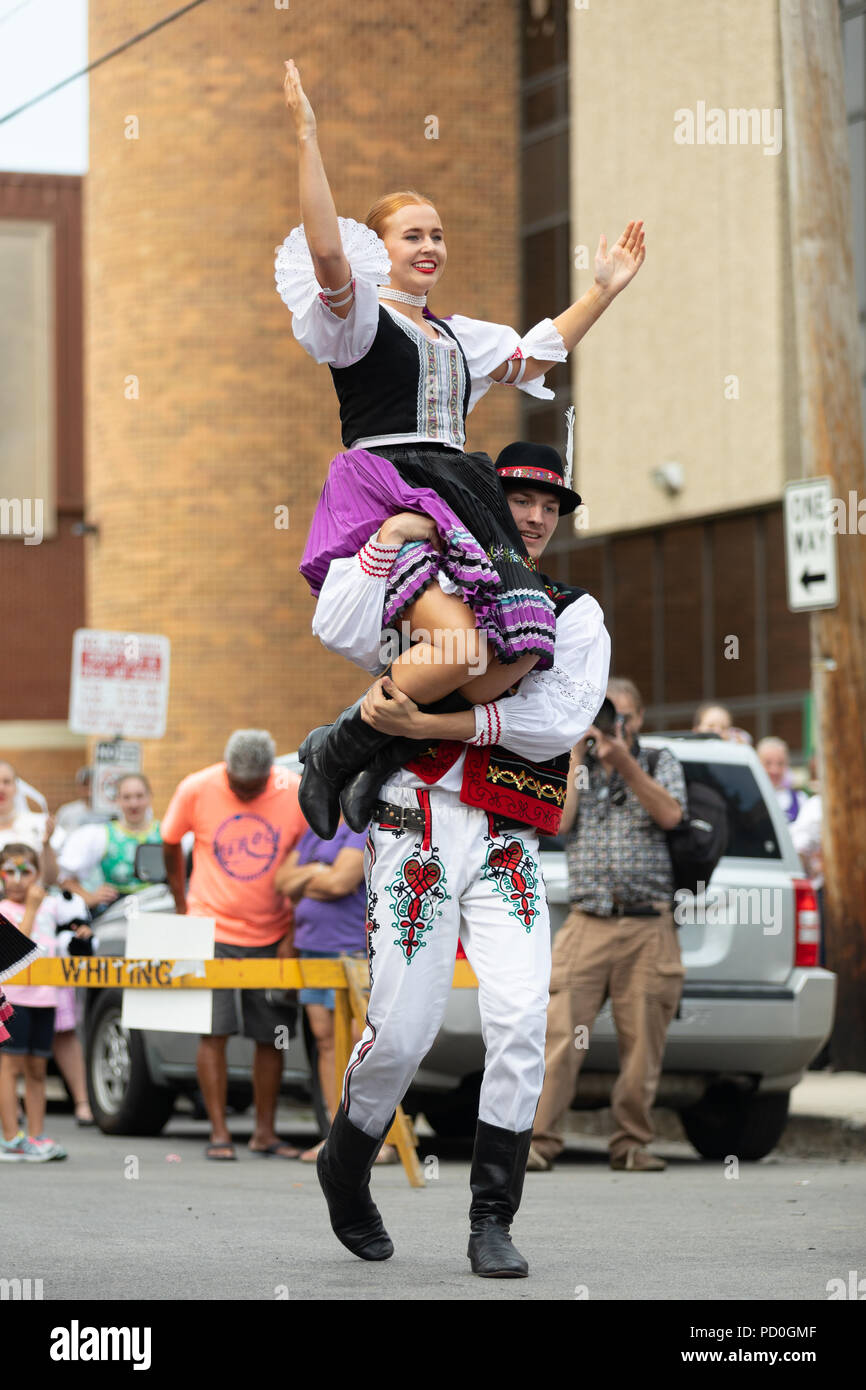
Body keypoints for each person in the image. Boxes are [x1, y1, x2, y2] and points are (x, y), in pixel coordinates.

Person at [277, 59, 644, 838]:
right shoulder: (360, 321)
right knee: (460, 642)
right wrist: (308, 141)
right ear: (379, 249)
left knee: (513, 658)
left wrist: (603, 290)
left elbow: (537, 356)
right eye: (413, 234)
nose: (430, 245)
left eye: (438, 234)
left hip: (459, 492)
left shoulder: (456, 336)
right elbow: (326, 252)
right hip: (393, 489)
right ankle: (338, 748)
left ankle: (374, 749)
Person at [309, 441, 610, 1274]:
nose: (537, 517)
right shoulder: (429, 585)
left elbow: (557, 722)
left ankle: (492, 1218)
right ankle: (347, 1155)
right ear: (482, 499)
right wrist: (393, 531)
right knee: (403, 1034)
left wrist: (431, 727)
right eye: (520, 498)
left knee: (521, 1019)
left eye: (553, 507)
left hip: (506, 835)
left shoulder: (573, 612)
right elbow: (336, 624)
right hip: (415, 825)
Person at [528, 676, 688, 1174]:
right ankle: (537, 1142)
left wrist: (623, 762)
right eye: (598, 714)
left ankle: (631, 1144)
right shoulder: (570, 762)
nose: (607, 725)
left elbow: (670, 815)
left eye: (616, 715)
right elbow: (555, 824)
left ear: (636, 719)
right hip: (587, 920)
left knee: (642, 1042)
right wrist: (576, 754)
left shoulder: (661, 762)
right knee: (559, 1036)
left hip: (647, 925)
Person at [160, 731, 308, 1162]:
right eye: (237, 786)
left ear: (269, 775)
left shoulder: (293, 792)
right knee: (214, 1032)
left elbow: (313, 855)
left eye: (253, 788)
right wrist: (180, 901)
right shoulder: (197, 787)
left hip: (274, 933)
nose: (245, 794)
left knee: (273, 1036)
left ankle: (264, 1132)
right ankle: (220, 1133)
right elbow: (170, 842)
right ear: (226, 770)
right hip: (213, 931)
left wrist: (293, 936)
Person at [274, 818, 396, 1163]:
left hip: (353, 949)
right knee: (325, 1042)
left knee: (362, 1042)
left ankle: (373, 1139)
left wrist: (305, 878)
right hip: (313, 948)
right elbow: (281, 881)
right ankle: (333, 1135)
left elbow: (341, 882)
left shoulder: (362, 826)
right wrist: (317, 873)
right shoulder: (317, 829)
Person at [0, 845, 69, 1161]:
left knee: (38, 1069)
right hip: (14, 1001)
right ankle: (11, 1137)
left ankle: (36, 1136)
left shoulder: (50, 905)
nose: (17, 880)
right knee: (10, 1067)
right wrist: (30, 907)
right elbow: (17, 947)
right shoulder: (6, 910)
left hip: (46, 998)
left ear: (38, 875)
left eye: (25, 872)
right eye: (9, 872)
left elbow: (60, 881)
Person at [57, 773, 164, 915]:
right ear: (117, 800)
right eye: (127, 797)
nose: (134, 804)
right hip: (116, 913)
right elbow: (65, 878)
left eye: (139, 796)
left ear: (150, 796)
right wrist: (90, 898)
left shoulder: (166, 832)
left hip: (157, 910)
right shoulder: (101, 834)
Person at [0, 760, 58, 885]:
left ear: (16, 787)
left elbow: (51, 881)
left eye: (6, 782)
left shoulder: (38, 823)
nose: (1, 788)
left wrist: (46, 844)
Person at [757, 737, 807, 823]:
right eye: (768, 763)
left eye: (780, 763)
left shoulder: (800, 799)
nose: (775, 770)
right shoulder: (750, 799)